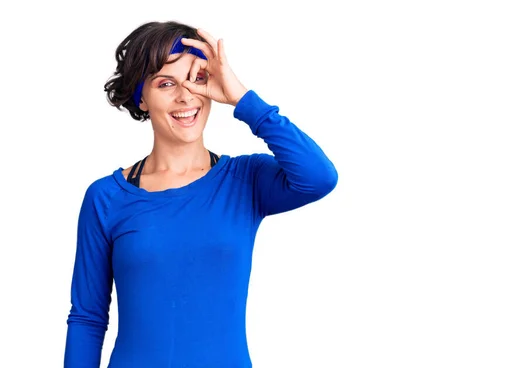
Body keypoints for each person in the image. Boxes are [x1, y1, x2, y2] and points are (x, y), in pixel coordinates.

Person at [63, 20, 337, 367]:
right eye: (166, 83)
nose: (186, 96)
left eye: (197, 79)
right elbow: (87, 318)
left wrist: (242, 99)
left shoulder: (244, 181)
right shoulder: (106, 198)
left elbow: (318, 177)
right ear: (142, 97)